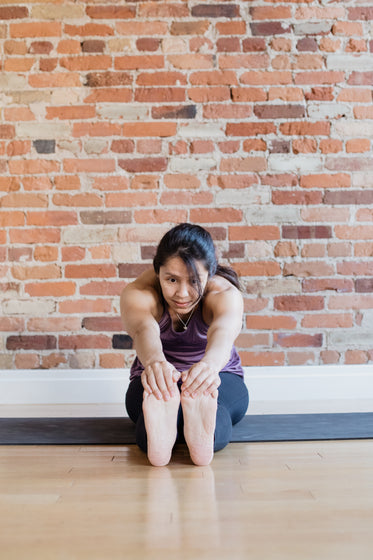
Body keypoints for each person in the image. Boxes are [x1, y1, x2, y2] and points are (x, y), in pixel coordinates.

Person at [120, 223, 249, 466]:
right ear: (157, 271)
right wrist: (156, 364)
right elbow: (143, 329)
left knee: (216, 422)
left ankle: (194, 413)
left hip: (217, 374)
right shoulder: (139, 292)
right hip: (157, 375)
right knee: (147, 436)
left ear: (209, 273)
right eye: (171, 280)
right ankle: (170, 413)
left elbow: (223, 332)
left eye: (193, 281)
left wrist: (208, 368)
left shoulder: (224, 294)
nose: (182, 293)